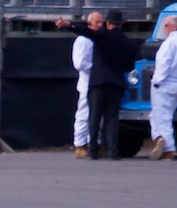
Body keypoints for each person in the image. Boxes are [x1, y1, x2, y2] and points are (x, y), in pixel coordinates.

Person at [55, 9, 138, 160]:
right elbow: (128, 66)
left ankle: (92, 149)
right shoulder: (129, 43)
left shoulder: (102, 36)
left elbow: (84, 31)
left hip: (97, 81)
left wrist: (69, 24)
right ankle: (112, 151)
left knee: (94, 116)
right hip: (116, 83)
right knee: (111, 118)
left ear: (108, 23)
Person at [149, 15, 177, 161]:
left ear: (173, 26)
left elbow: (163, 62)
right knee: (158, 115)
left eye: (166, 25)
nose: (164, 28)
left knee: (163, 117)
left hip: (166, 82)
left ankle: (168, 148)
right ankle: (158, 138)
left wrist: (157, 81)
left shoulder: (169, 43)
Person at [70, 12, 101, 159]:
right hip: (87, 81)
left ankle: (93, 143)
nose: (100, 25)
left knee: (96, 114)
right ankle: (80, 144)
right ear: (89, 24)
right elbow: (79, 63)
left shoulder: (97, 39)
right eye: (97, 23)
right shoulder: (83, 40)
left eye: (101, 22)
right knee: (84, 113)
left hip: (96, 80)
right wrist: (96, 67)